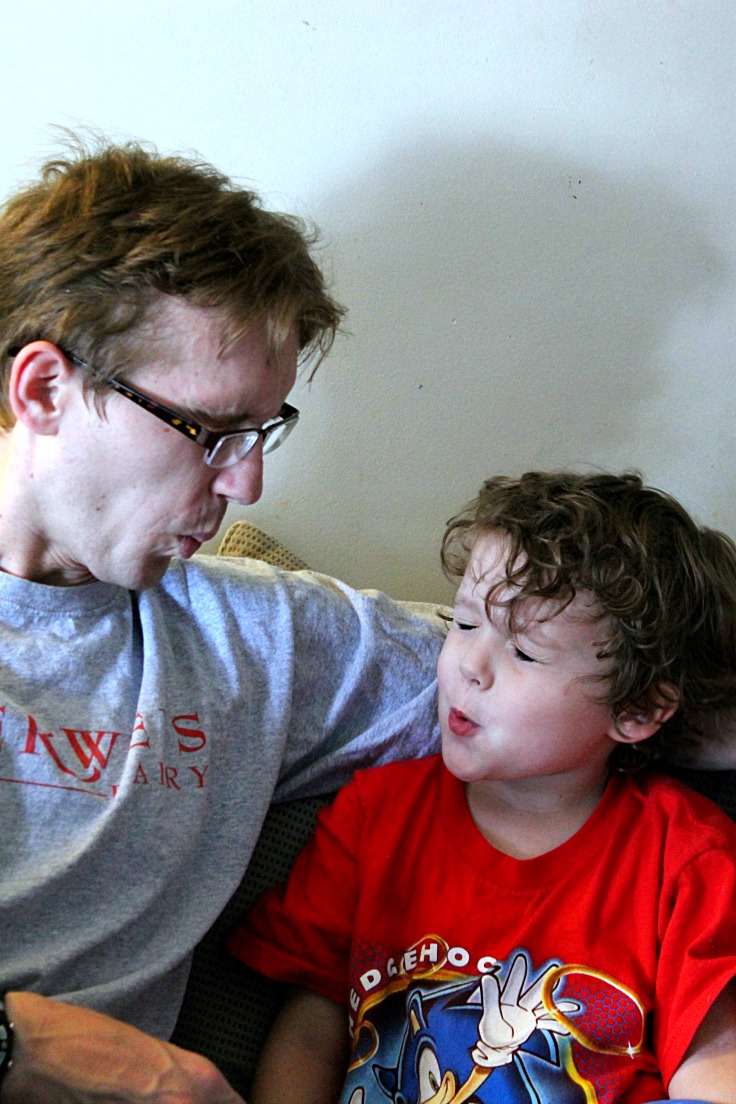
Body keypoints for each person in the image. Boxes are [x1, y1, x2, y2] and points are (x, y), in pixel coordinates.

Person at [0, 136, 445, 1102]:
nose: (246, 485)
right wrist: (24, 1046)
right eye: (209, 432)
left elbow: (584, 669)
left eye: (262, 433)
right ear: (43, 390)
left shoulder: (255, 637)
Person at [230, 471, 736, 1104]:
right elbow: (310, 1034)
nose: (469, 665)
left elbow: (716, 1071)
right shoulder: (373, 815)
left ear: (636, 709)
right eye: (466, 624)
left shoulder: (687, 860)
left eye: (524, 653)